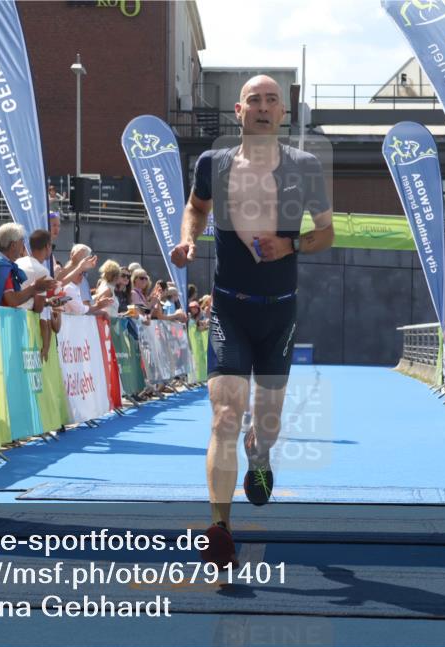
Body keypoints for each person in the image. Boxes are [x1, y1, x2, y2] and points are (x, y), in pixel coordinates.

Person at [171, 74, 334, 566]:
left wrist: (290, 244)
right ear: (238, 111)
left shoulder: (305, 167)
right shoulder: (213, 164)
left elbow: (326, 233)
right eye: (254, 100)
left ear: (283, 112)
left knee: (267, 423)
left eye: (271, 101)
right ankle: (220, 529)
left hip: (279, 310)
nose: (263, 107)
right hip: (230, 307)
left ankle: (258, 454)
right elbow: (196, 208)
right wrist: (188, 239)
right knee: (224, 415)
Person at [0, 222, 57, 307]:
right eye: (22, 241)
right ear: (13, 245)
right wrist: (34, 287)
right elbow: (12, 300)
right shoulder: (1, 267)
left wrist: (44, 301)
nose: (23, 245)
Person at [18, 230, 64, 361]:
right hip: (24, 324)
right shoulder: (42, 271)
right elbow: (38, 308)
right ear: (47, 246)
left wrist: (48, 302)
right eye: (52, 246)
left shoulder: (18, 262)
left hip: (10, 317)